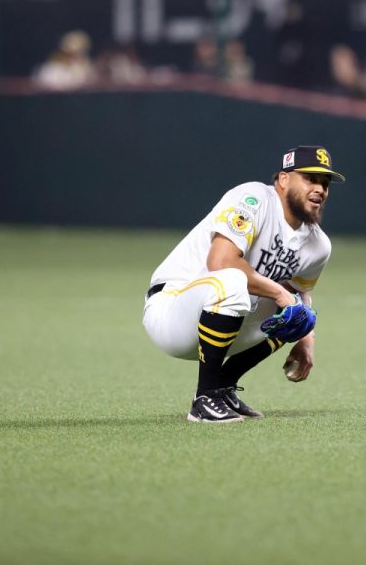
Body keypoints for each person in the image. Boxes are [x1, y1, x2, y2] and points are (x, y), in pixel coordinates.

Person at [142, 146, 346, 423]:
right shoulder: (253, 199)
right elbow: (221, 261)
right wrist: (279, 293)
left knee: (295, 311)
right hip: (173, 310)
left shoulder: (318, 245)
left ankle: (223, 385)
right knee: (233, 279)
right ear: (284, 180)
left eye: (325, 183)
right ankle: (204, 399)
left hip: (225, 322)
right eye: (310, 179)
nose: (319, 189)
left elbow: (300, 295)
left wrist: (306, 340)